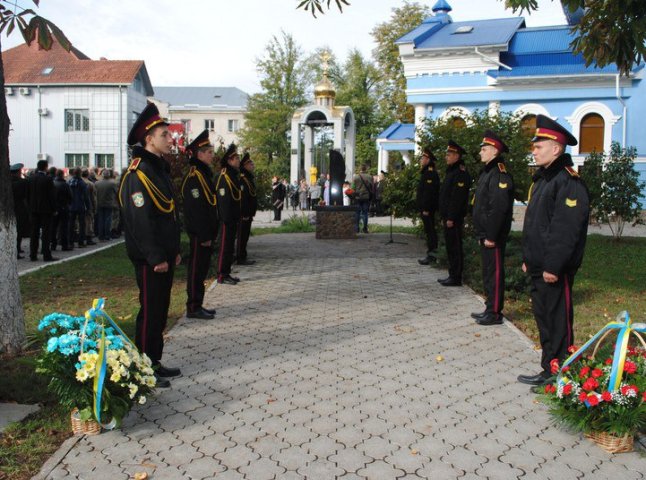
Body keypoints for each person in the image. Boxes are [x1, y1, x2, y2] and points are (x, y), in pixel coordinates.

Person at [518, 114, 590, 386]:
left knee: (558, 322)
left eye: (538, 146)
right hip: (539, 266)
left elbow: (565, 231)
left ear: (556, 148)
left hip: (553, 270)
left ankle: (562, 373)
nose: (533, 150)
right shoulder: (545, 179)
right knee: (545, 320)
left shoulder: (568, 181)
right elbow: (537, 225)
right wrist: (530, 259)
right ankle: (549, 367)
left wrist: (552, 266)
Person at [119, 103, 182, 388]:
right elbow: (140, 221)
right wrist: (156, 255)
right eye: (165, 135)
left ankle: (153, 361)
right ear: (149, 139)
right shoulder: (138, 174)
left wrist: (174, 250)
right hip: (149, 259)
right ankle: (143, 369)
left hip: (164, 255)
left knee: (160, 310)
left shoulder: (157, 170)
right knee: (150, 311)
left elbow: (168, 214)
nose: (171, 139)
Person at [471, 131, 515, 326]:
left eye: (484, 149)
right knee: (488, 272)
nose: (480, 152)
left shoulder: (499, 174)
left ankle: (495, 312)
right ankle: (490, 307)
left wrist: (491, 235)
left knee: (495, 273)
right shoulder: (487, 172)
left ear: (495, 151)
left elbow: (499, 208)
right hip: (485, 234)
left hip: (493, 236)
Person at [181, 130, 218, 319]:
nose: (212, 155)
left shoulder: (204, 175)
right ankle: (193, 306)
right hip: (199, 235)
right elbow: (196, 210)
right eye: (209, 152)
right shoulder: (195, 177)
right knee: (196, 270)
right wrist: (204, 235)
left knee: (202, 269)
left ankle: (198, 303)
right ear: (199, 154)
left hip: (206, 234)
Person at [438, 141, 471, 286]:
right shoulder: (451, 171)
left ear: (457, 156)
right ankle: (452, 274)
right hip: (448, 217)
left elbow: (457, 198)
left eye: (449, 154)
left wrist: (451, 217)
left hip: (454, 218)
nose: (446, 157)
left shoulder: (460, 173)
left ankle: (456, 277)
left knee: (455, 247)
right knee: (450, 247)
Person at [215, 143, 242, 285]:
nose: (238, 160)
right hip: (226, 219)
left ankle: (226, 272)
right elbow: (223, 200)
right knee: (224, 247)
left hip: (232, 218)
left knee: (230, 247)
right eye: (236, 158)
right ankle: (221, 275)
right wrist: (225, 219)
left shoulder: (232, 175)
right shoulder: (224, 177)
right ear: (229, 161)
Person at [27, 160, 57, 262]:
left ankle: (33, 254)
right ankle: (46, 254)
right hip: (46, 210)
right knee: (46, 233)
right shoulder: (48, 179)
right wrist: (54, 209)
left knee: (34, 233)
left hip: (33, 209)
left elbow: (28, 195)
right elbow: (51, 196)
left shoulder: (30, 178)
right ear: (45, 167)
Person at [416, 148, 440, 265]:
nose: (421, 160)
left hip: (428, 209)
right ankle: (431, 253)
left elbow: (429, 193)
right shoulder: (426, 172)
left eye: (423, 158)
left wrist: (426, 208)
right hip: (425, 208)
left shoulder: (430, 173)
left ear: (428, 160)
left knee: (430, 232)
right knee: (429, 231)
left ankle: (432, 255)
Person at [236, 152, 258, 265]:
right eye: (250, 164)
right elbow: (243, 198)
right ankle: (240, 257)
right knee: (242, 236)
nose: (252, 165)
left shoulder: (248, 179)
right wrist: (244, 213)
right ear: (245, 166)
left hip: (248, 214)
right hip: (244, 214)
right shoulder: (243, 179)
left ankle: (243, 256)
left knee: (245, 236)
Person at [10, 163, 30, 259]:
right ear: (18, 172)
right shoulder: (23, 182)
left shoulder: (7, 182)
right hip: (20, 209)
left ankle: (15, 249)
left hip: (9, 209)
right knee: (19, 231)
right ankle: (17, 250)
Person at [68, 167, 90, 248]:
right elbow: (86, 196)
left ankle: (70, 242)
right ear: (80, 173)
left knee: (71, 225)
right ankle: (80, 242)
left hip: (71, 206)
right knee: (82, 225)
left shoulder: (69, 182)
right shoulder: (82, 183)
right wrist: (88, 207)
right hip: (80, 205)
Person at [51, 169, 72, 251]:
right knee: (64, 227)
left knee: (53, 227)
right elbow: (70, 196)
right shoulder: (65, 185)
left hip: (55, 208)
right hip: (64, 208)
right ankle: (64, 245)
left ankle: (53, 244)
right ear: (62, 175)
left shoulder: (53, 183)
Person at [95, 169, 118, 241]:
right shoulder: (112, 183)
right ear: (109, 175)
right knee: (108, 220)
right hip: (109, 203)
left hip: (99, 203)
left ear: (102, 175)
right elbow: (117, 193)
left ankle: (101, 236)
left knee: (101, 220)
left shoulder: (97, 183)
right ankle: (107, 235)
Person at [353, 164, 373, 233]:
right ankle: (365, 229)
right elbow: (372, 187)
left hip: (358, 197)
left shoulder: (356, 177)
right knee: (365, 213)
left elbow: (353, 187)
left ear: (360, 169)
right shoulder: (370, 177)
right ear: (366, 169)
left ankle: (356, 229)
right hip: (366, 197)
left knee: (357, 213)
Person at [81, 169, 97, 245]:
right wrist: (94, 207)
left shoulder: (77, 182)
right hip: (88, 205)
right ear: (88, 175)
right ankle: (88, 238)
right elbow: (94, 197)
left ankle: (80, 237)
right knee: (89, 222)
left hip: (79, 205)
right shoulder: (90, 184)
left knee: (79, 222)